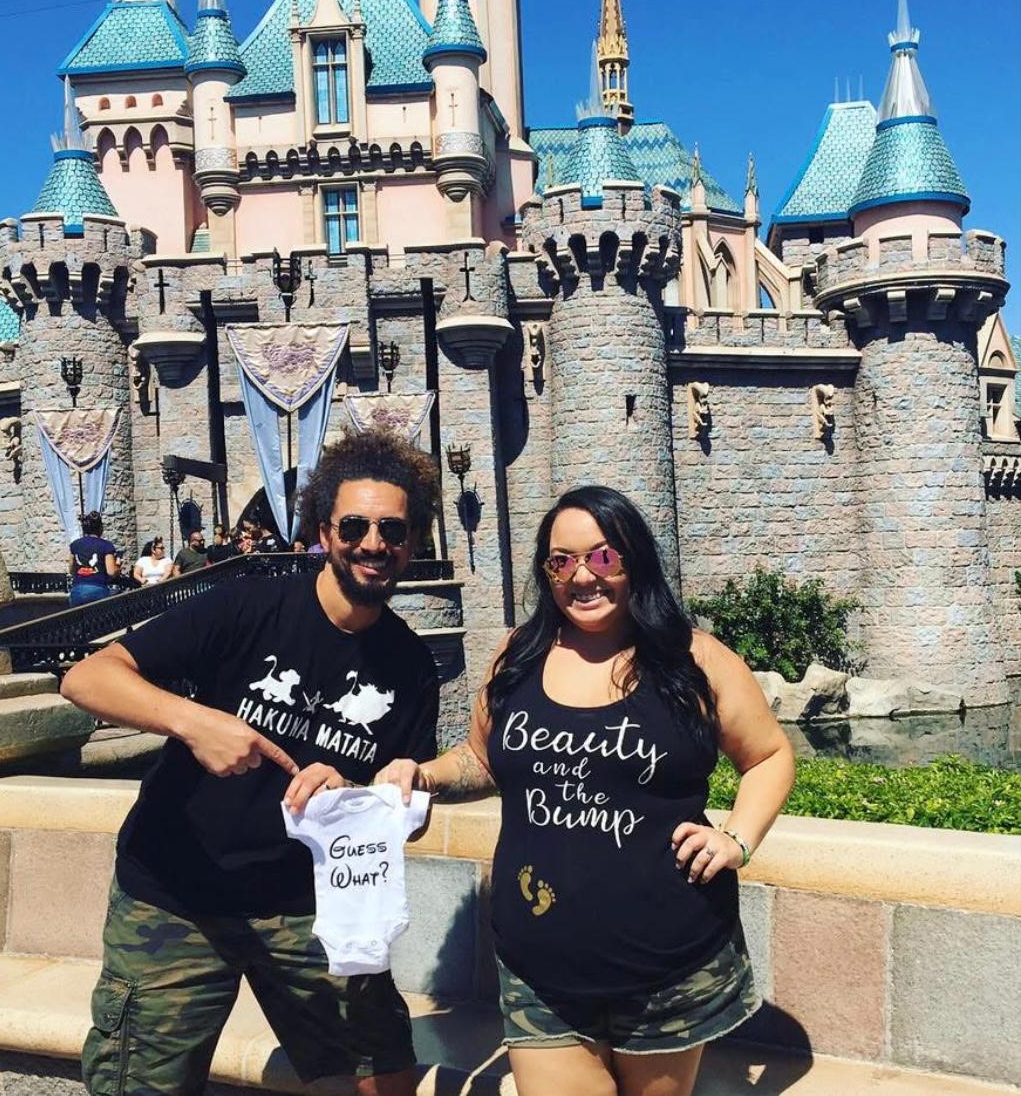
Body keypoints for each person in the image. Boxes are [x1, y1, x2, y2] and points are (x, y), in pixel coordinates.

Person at [375, 485, 795, 1096]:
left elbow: (769, 756)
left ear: (635, 561)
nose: (582, 577)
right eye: (561, 561)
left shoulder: (693, 661)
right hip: (537, 963)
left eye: (603, 557)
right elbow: (482, 758)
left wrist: (738, 837)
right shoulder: (519, 654)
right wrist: (426, 775)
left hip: (671, 960)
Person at [60, 429, 443, 1096]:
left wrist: (357, 794)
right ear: (324, 529)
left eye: (393, 528)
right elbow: (88, 678)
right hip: (175, 895)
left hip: (307, 905)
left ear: (413, 540)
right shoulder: (250, 606)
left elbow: (403, 810)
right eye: (354, 524)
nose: (374, 543)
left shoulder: (411, 667)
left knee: (382, 1077)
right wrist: (194, 720)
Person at [68, 512, 117, 606]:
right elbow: (111, 572)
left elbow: (71, 569)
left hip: (78, 590)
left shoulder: (75, 545)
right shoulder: (106, 546)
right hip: (98, 588)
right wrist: (117, 567)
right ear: (100, 528)